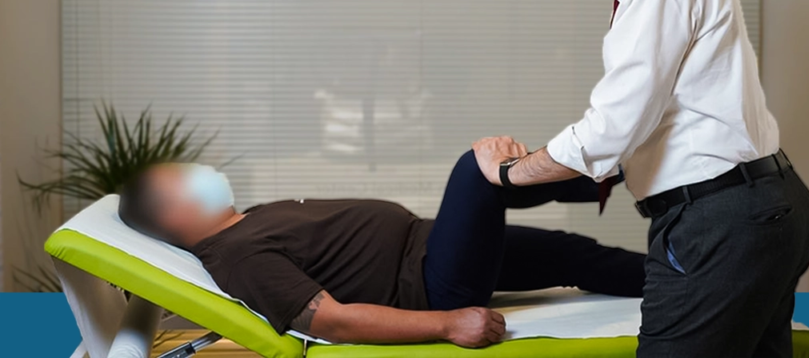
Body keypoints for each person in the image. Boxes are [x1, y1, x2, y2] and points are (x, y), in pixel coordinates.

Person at [470, 0, 809, 358]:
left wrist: (509, 173)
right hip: (758, 206)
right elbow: (638, 127)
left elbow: (612, 128)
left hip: (720, 219)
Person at [117, 150, 644, 348]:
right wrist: (449, 324)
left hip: (430, 245)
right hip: (431, 285)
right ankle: (622, 171)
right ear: (173, 215)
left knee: (573, 254)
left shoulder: (248, 220)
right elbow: (333, 322)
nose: (203, 172)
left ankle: (691, 275)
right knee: (475, 171)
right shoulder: (237, 257)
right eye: (187, 179)